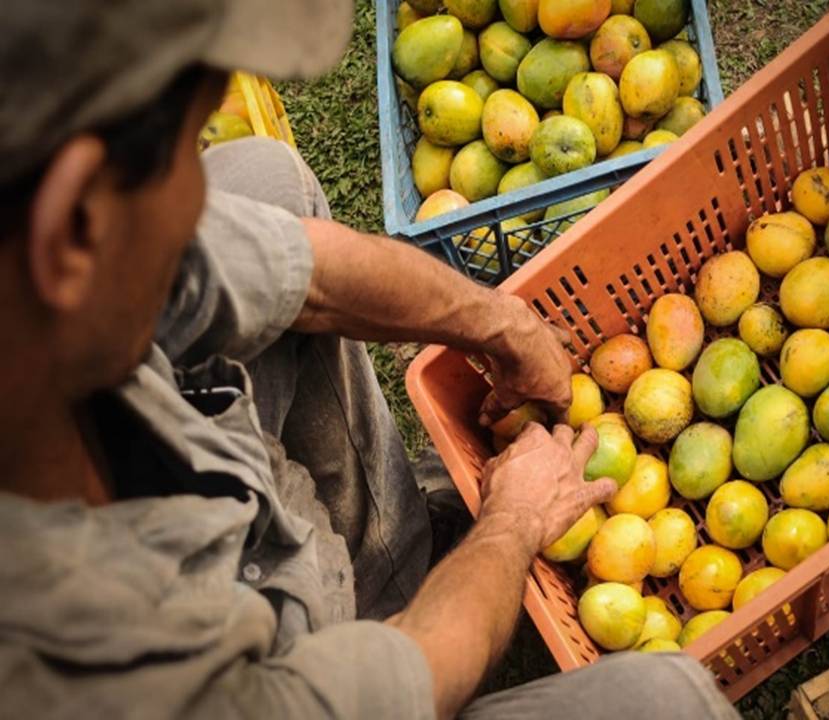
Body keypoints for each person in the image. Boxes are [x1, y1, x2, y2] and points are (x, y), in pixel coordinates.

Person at [0, 1, 740, 718]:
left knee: (263, 182)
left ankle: (393, 562)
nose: (197, 187)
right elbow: (390, 690)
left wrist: (503, 325)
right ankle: (394, 598)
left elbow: (304, 269)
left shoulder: (45, 265)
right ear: (77, 225)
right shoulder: (70, 667)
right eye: (182, 155)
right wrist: (513, 521)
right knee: (664, 701)